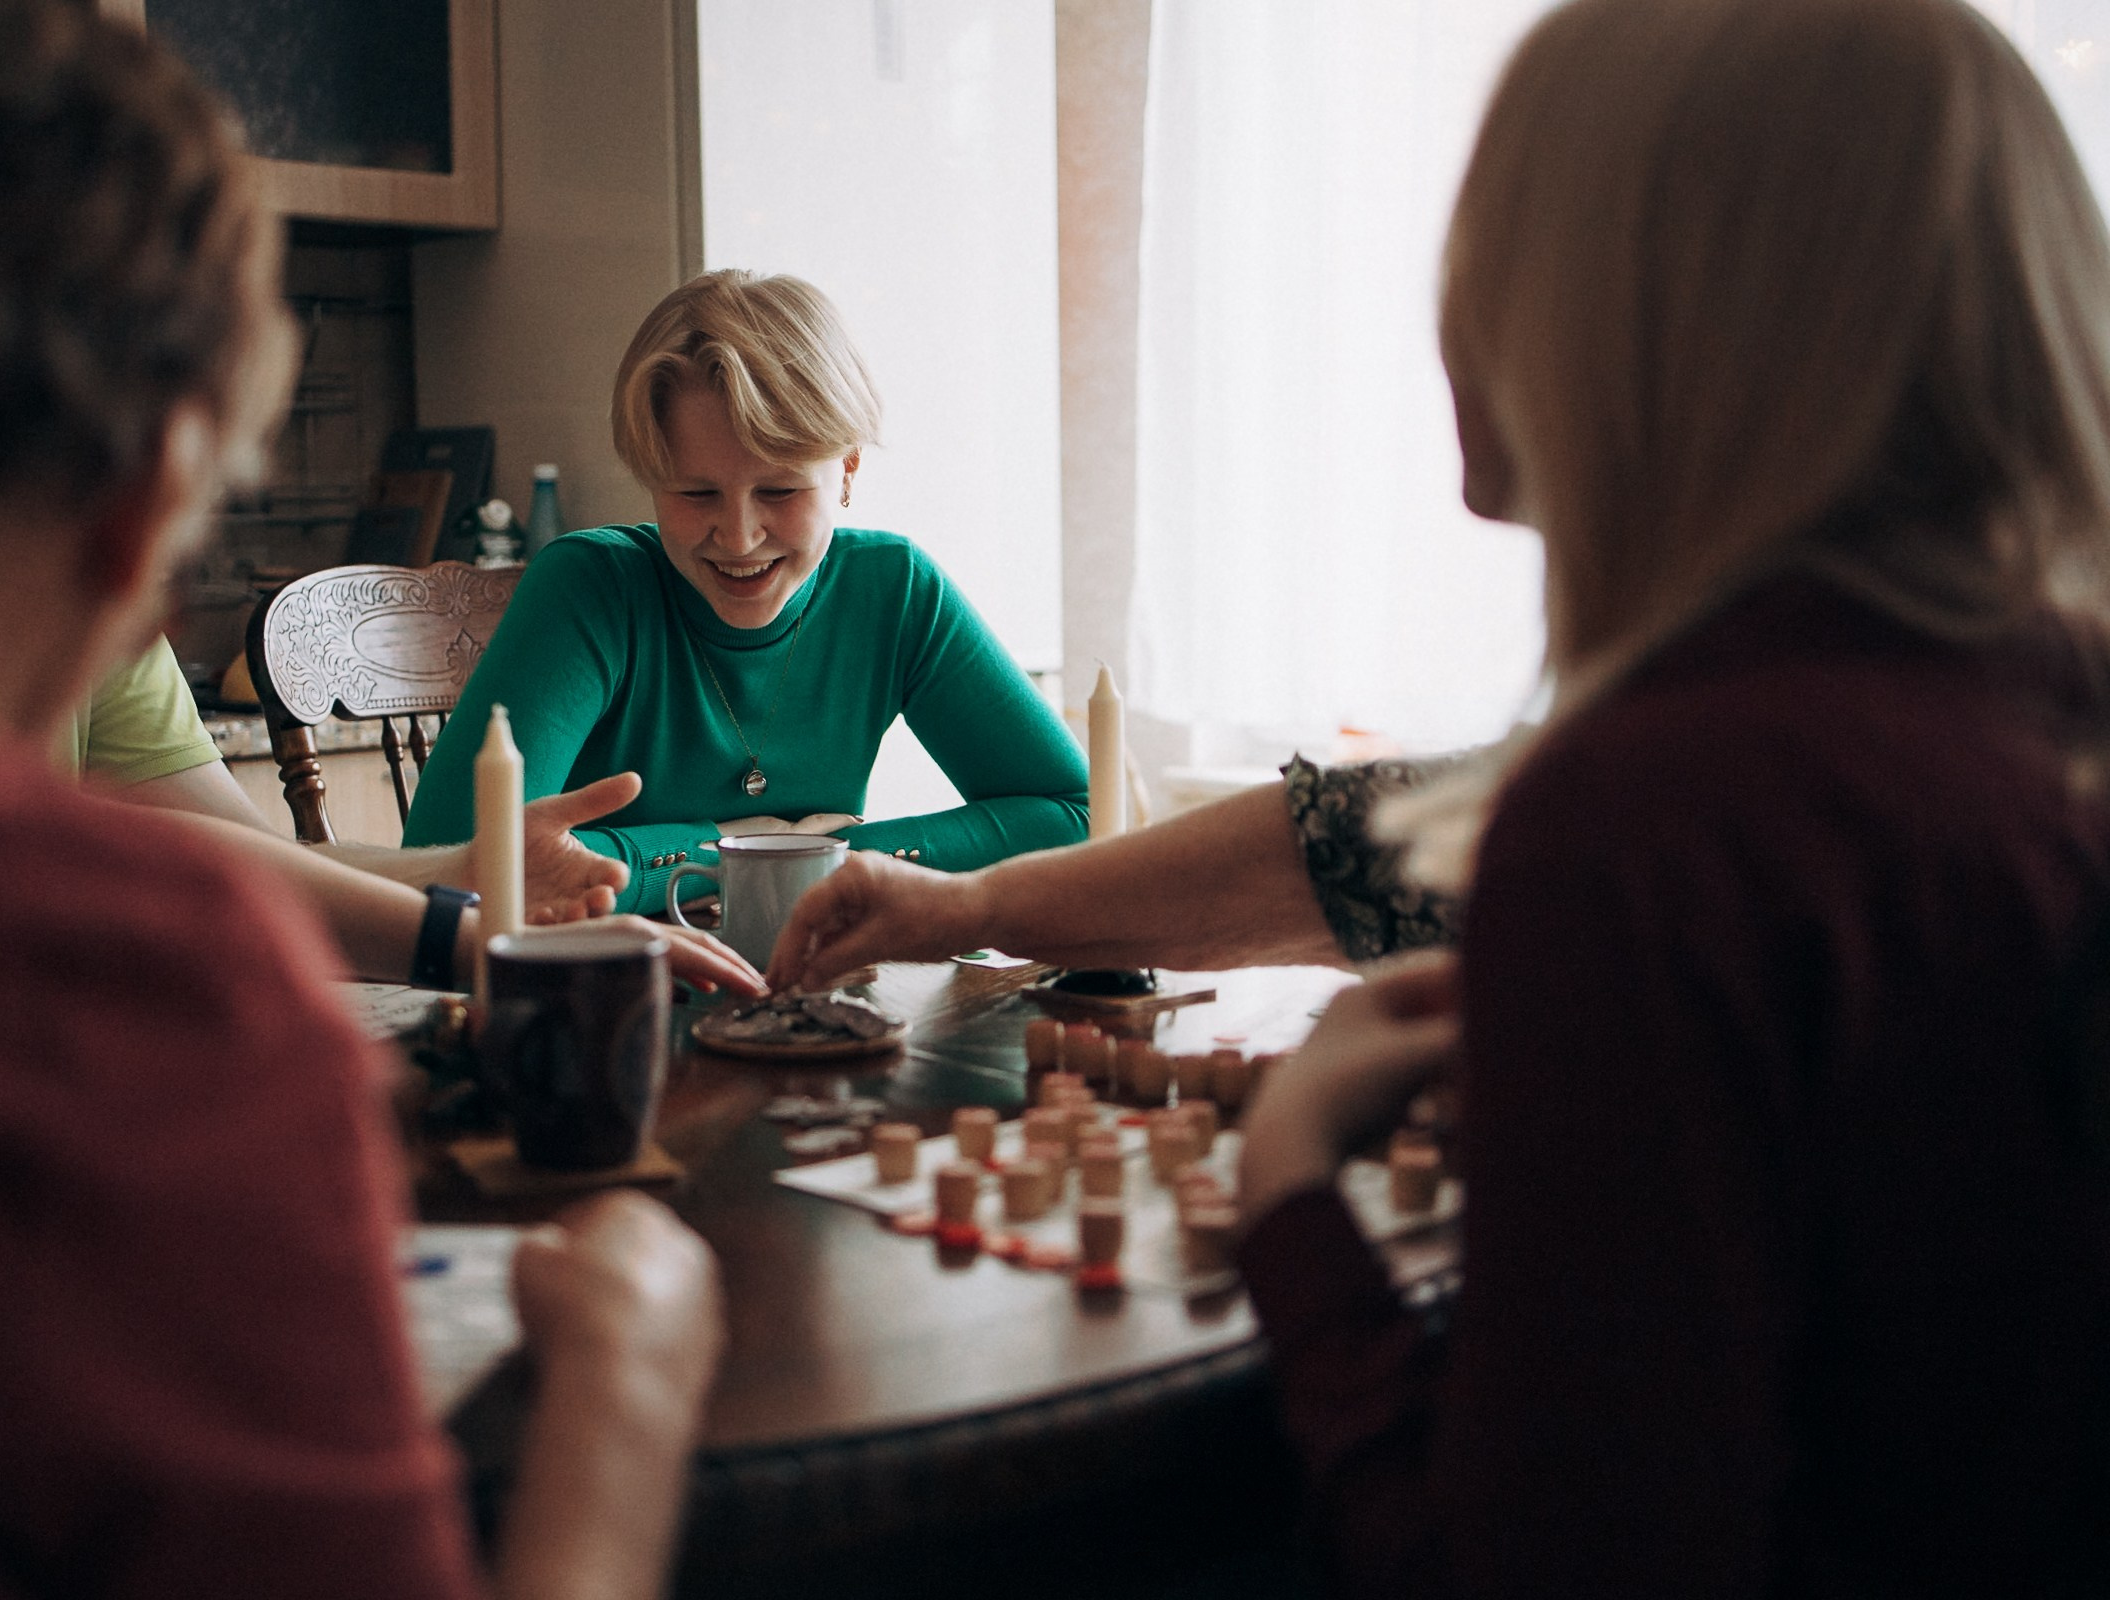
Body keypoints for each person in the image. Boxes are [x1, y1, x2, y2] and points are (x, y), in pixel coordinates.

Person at [771, 0, 2110, 1592]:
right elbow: (1371, 843)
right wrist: (981, 905)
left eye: (1490, 243)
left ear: (1613, 325)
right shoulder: (2028, 710)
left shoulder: (1658, 817)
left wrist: (1288, 1206)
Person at [0, 3, 722, 1596]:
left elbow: (194, 840)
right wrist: (632, 1377)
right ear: (138, 515)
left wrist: (455, 898)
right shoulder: (124, 997)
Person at [402, 270, 1091, 922]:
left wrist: (818, 862)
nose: (738, 537)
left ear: (847, 469)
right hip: (616, 997)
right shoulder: (589, 588)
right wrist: (745, 847)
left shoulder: (895, 589)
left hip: (816, 993)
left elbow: (1077, 815)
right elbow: (452, 867)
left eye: (781, 490)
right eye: (695, 492)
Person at [71, 636, 762, 994]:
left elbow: (247, 871)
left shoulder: (96, 607)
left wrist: (461, 871)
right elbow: (166, 869)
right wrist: (485, 950)